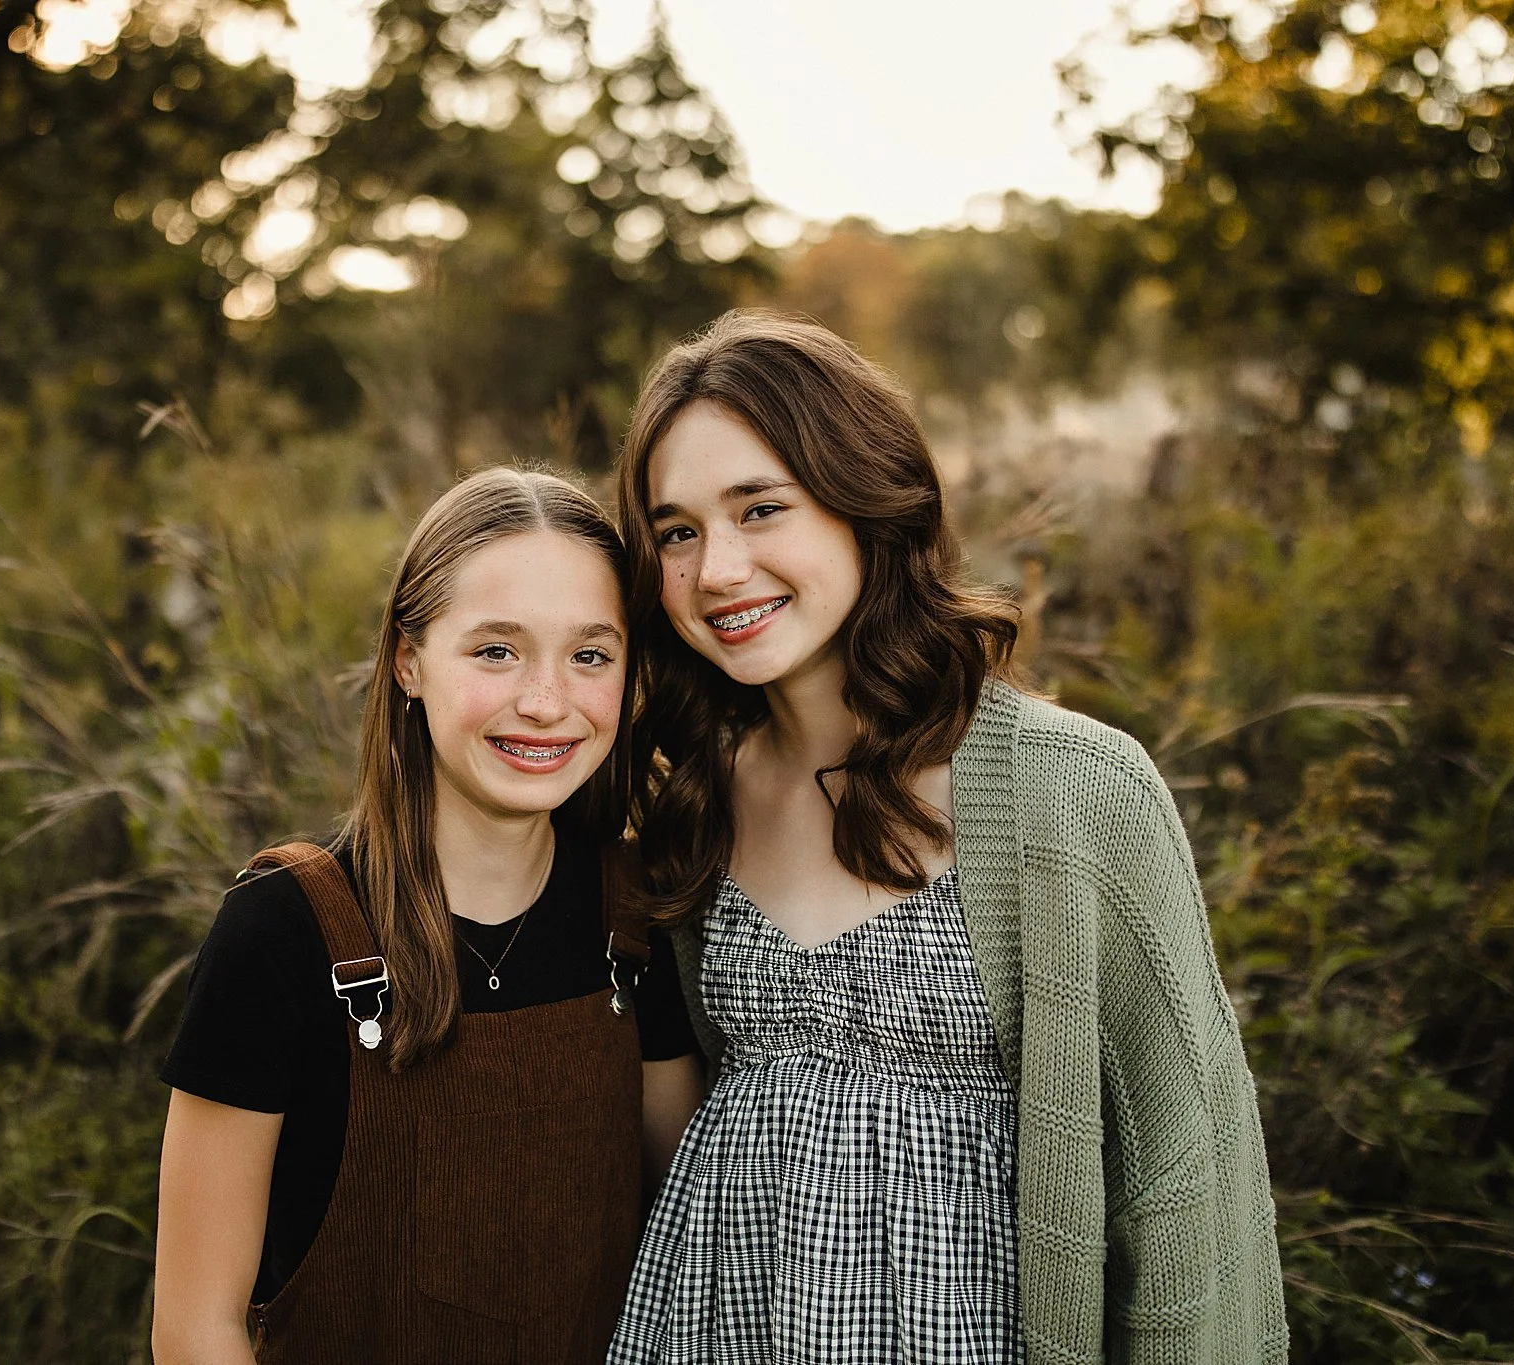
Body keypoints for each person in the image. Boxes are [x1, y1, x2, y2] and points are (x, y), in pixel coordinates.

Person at [604, 312, 1287, 1364]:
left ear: (865, 501)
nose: (718, 570)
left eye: (760, 508)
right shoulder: (691, 803)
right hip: (710, 1326)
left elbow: (1183, 1178)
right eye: (677, 531)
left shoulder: (1075, 789)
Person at [152, 467, 703, 1365]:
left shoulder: (632, 916)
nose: (546, 701)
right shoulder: (283, 933)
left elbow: (691, 1235)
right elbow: (193, 1330)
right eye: (496, 650)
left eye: (590, 654)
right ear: (409, 660)